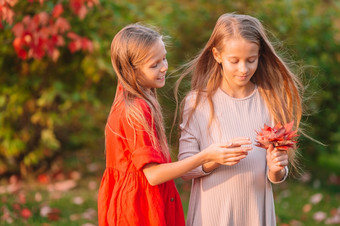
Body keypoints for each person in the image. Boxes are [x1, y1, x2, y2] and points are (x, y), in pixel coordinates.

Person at [97, 23, 247, 226]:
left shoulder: (132, 99)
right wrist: (206, 155)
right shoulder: (136, 109)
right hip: (138, 212)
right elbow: (153, 175)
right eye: (154, 64)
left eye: (164, 58)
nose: (164, 67)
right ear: (130, 70)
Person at [175, 13, 303, 226]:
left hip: (256, 214)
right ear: (217, 55)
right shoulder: (197, 103)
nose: (243, 69)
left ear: (259, 55)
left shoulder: (270, 100)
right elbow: (185, 170)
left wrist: (276, 168)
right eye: (234, 61)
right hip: (212, 215)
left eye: (251, 60)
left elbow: (277, 174)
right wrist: (215, 159)